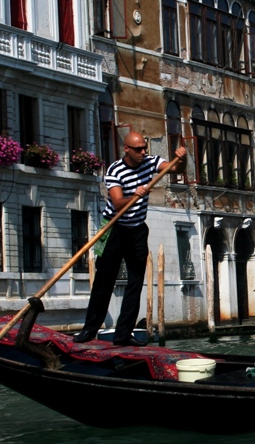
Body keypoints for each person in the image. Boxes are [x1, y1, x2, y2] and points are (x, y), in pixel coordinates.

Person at [74, 131, 187, 346]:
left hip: (137, 230)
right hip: (112, 228)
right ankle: (89, 330)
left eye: (145, 148)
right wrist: (135, 195)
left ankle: (123, 335)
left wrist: (182, 158)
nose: (143, 152)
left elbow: (175, 170)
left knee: (136, 281)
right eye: (138, 149)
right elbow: (117, 203)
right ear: (126, 149)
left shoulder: (151, 162)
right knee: (103, 280)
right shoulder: (115, 170)